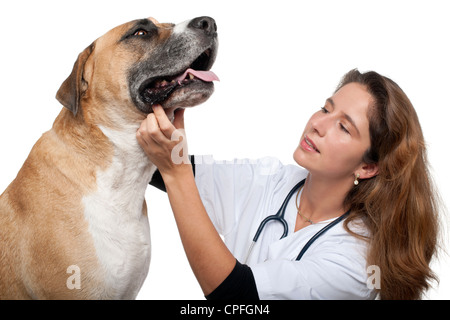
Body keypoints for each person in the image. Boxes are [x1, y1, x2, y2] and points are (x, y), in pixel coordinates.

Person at [136, 69, 439, 300]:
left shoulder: (357, 262)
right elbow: (164, 170)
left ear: (368, 166)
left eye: (343, 126)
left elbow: (234, 295)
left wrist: (175, 171)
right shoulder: (274, 179)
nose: (317, 124)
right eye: (325, 109)